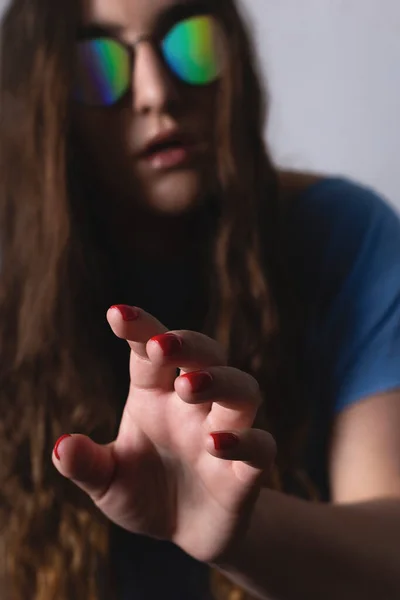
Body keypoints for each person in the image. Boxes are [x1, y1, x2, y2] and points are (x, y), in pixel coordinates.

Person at [0, 0, 399, 598]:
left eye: (189, 41)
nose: (156, 93)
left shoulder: (345, 236)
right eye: (96, 64)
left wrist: (242, 531)